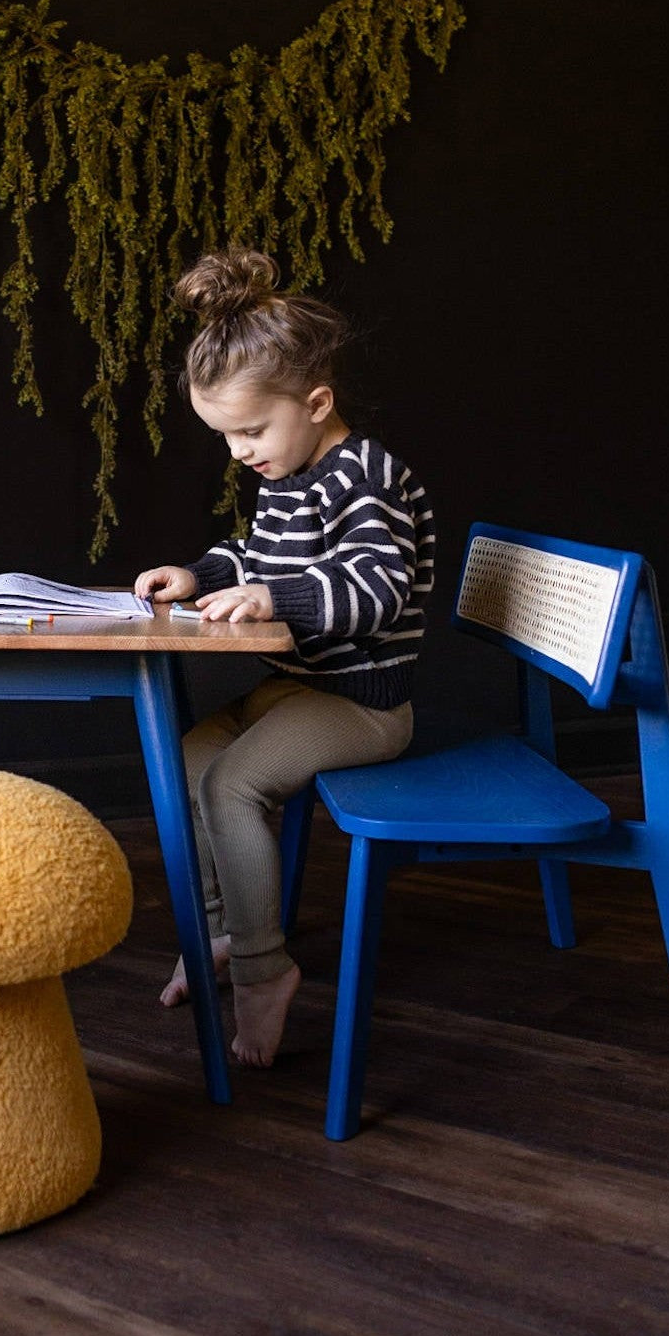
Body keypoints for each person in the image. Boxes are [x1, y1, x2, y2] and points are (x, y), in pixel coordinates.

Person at [134, 246, 435, 1067]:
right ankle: (223, 930)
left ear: (318, 401)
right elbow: (259, 552)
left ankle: (266, 970)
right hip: (297, 689)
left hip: (364, 704)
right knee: (190, 753)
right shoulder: (288, 476)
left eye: (252, 430)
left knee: (234, 783)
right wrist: (200, 573)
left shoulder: (365, 478)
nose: (239, 452)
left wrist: (277, 599)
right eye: (226, 435)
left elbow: (375, 587)